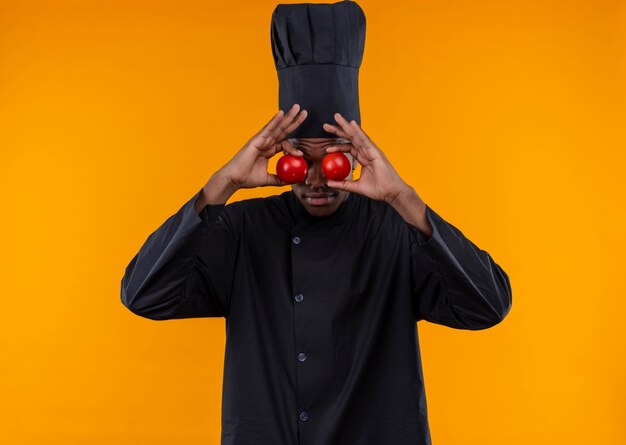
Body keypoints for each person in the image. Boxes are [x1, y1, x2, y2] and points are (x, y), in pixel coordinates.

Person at [120, 2, 512, 444]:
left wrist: (405, 199)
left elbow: (488, 305)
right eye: (297, 159)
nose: (316, 178)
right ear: (279, 153)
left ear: (357, 152)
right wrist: (221, 184)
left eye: (333, 158)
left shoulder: (398, 230)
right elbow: (142, 294)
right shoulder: (241, 230)